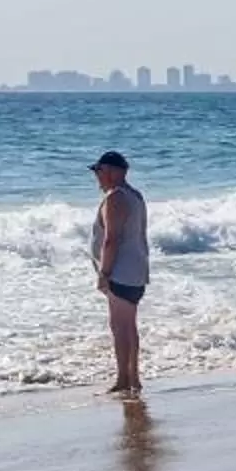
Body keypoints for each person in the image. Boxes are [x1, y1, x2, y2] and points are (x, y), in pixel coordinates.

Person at [90, 151, 150, 397]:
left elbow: (111, 240)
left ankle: (124, 379)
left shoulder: (115, 198)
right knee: (129, 326)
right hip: (136, 270)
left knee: (120, 327)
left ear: (113, 172)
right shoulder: (135, 195)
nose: (97, 177)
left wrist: (104, 273)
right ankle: (132, 377)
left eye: (99, 171)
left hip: (120, 272)